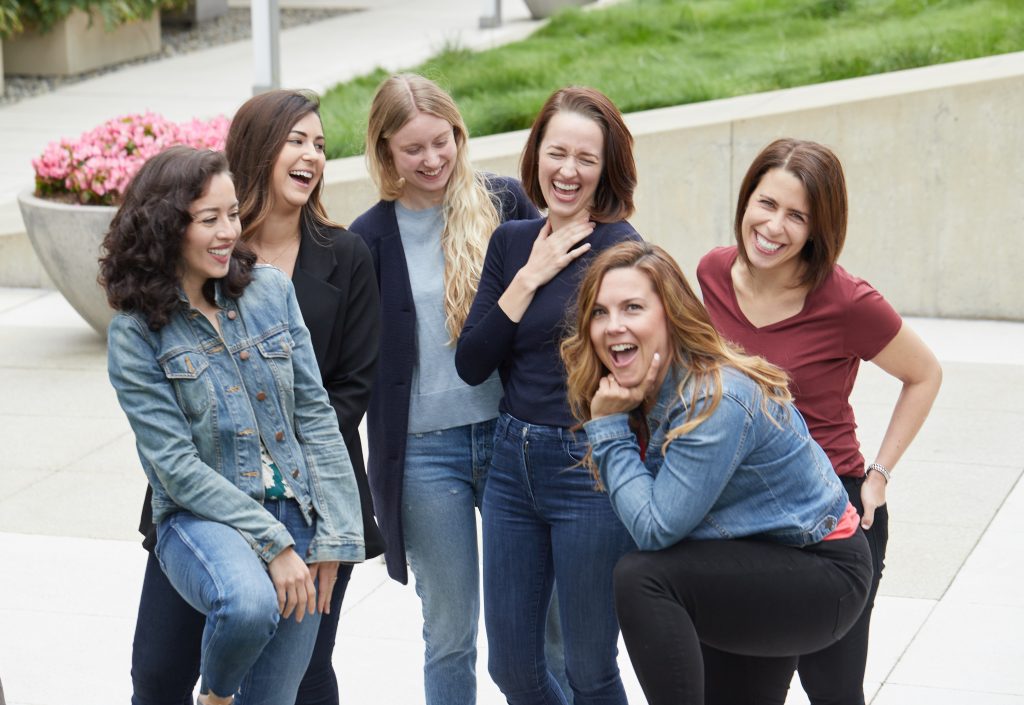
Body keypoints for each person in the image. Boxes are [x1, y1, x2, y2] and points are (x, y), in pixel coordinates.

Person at [127, 90, 383, 705]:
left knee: (302, 676)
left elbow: (342, 394)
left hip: (308, 492)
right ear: (257, 150)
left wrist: (328, 530)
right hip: (201, 499)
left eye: (320, 145)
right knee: (160, 670)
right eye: (296, 140)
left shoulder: (341, 257)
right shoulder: (194, 268)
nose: (311, 155)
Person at [559, 240, 874, 705]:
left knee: (643, 576)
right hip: (745, 562)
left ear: (670, 315)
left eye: (632, 308)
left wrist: (606, 428)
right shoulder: (642, 391)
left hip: (820, 573)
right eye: (600, 312)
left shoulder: (715, 399)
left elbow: (654, 528)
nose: (614, 326)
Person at [697, 138, 942, 705]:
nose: (773, 226)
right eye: (765, 203)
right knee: (736, 688)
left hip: (830, 512)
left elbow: (924, 374)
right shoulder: (712, 273)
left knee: (831, 686)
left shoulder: (847, 301)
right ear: (745, 200)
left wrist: (878, 475)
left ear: (818, 227)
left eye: (796, 215)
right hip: (737, 515)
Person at [348, 74, 555, 705]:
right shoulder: (368, 237)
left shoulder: (504, 201)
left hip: (512, 437)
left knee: (543, 625)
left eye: (444, 141)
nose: (434, 159)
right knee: (450, 633)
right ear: (385, 152)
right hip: (422, 455)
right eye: (414, 149)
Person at [455, 86, 639, 705]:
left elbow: (652, 366)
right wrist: (530, 276)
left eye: (586, 158)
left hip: (587, 465)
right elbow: (472, 361)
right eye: (556, 152)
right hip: (510, 465)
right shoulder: (511, 243)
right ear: (535, 155)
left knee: (590, 669)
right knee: (511, 667)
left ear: (607, 168)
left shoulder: (624, 253)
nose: (568, 170)